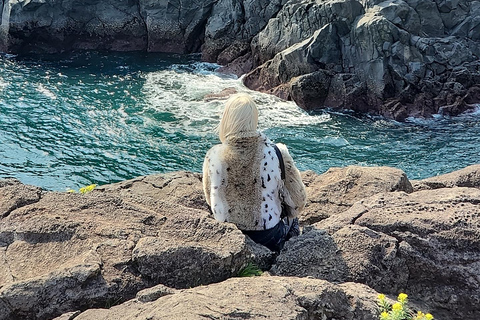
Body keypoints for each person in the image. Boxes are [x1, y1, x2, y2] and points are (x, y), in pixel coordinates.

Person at [202, 93, 307, 252]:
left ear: (227, 120)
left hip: (228, 236)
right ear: (254, 119)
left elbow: (210, 200)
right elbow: (298, 201)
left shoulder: (213, 155)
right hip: (268, 236)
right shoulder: (276, 152)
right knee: (293, 221)